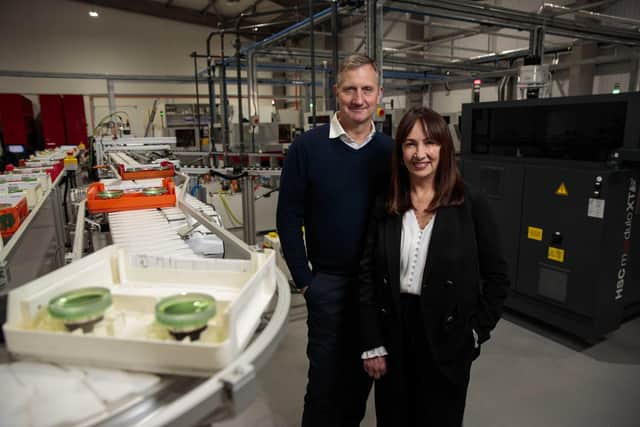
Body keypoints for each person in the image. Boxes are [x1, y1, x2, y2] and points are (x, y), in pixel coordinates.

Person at [357, 107, 509, 426]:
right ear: (400, 152)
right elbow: (368, 274)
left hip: (447, 334)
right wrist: (372, 342)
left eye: (430, 143)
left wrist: (475, 332)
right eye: (410, 144)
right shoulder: (387, 203)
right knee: (394, 418)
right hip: (394, 330)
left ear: (445, 148)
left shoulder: (471, 204)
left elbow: (498, 277)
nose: (420, 153)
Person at [276, 53, 393, 427]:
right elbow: (288, 218)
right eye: (350, 89)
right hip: (328, 285)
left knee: (361, 385)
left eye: (367, 89)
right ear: (336, 92)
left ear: (379, 94)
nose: (358, 99)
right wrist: (306, 283)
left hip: (377, 290)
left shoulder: (391, 153)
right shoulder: (307, 148)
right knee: (324, 386)